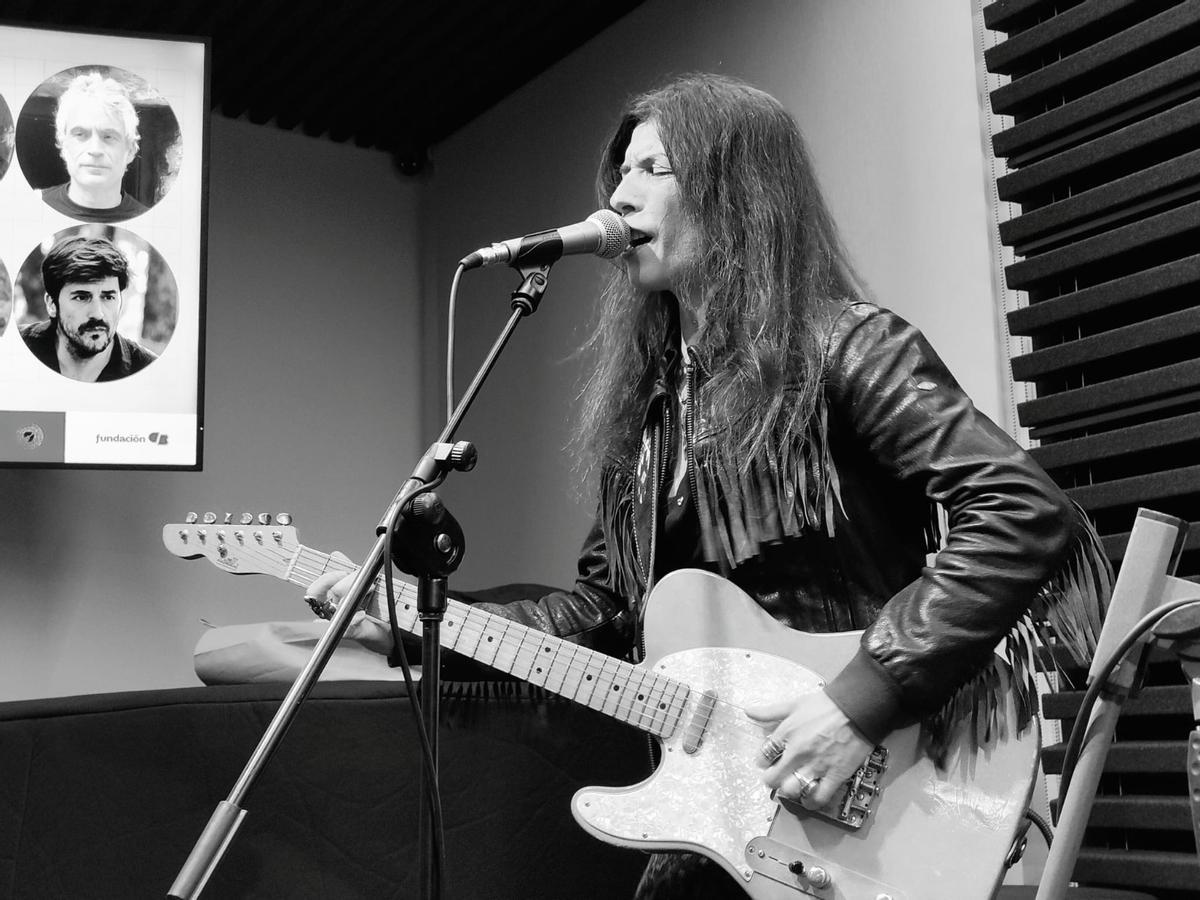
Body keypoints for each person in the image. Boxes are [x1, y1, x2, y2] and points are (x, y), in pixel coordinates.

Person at [307, 74, 1109, 897]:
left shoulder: (849, 347)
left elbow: (1021, 509)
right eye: (621, 170)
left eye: (655, 168)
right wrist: (419, 620)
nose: (620, 194)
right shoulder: (648, 419)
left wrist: (859, 703)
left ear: (739, 192)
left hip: (877, 780)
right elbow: (604, 613)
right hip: (726, 810)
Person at [20, 236, 157, 382]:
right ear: (52, 304)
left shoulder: (149, 372)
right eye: (81, 297)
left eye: (108, 297)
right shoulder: (15, 351)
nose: (98, 314)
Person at [41, 73, 147, 222]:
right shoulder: (32, 206)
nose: (95, 150)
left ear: (130, 150)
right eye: (80, 134)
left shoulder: (149, 220)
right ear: (63, 145)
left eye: (108, 137)